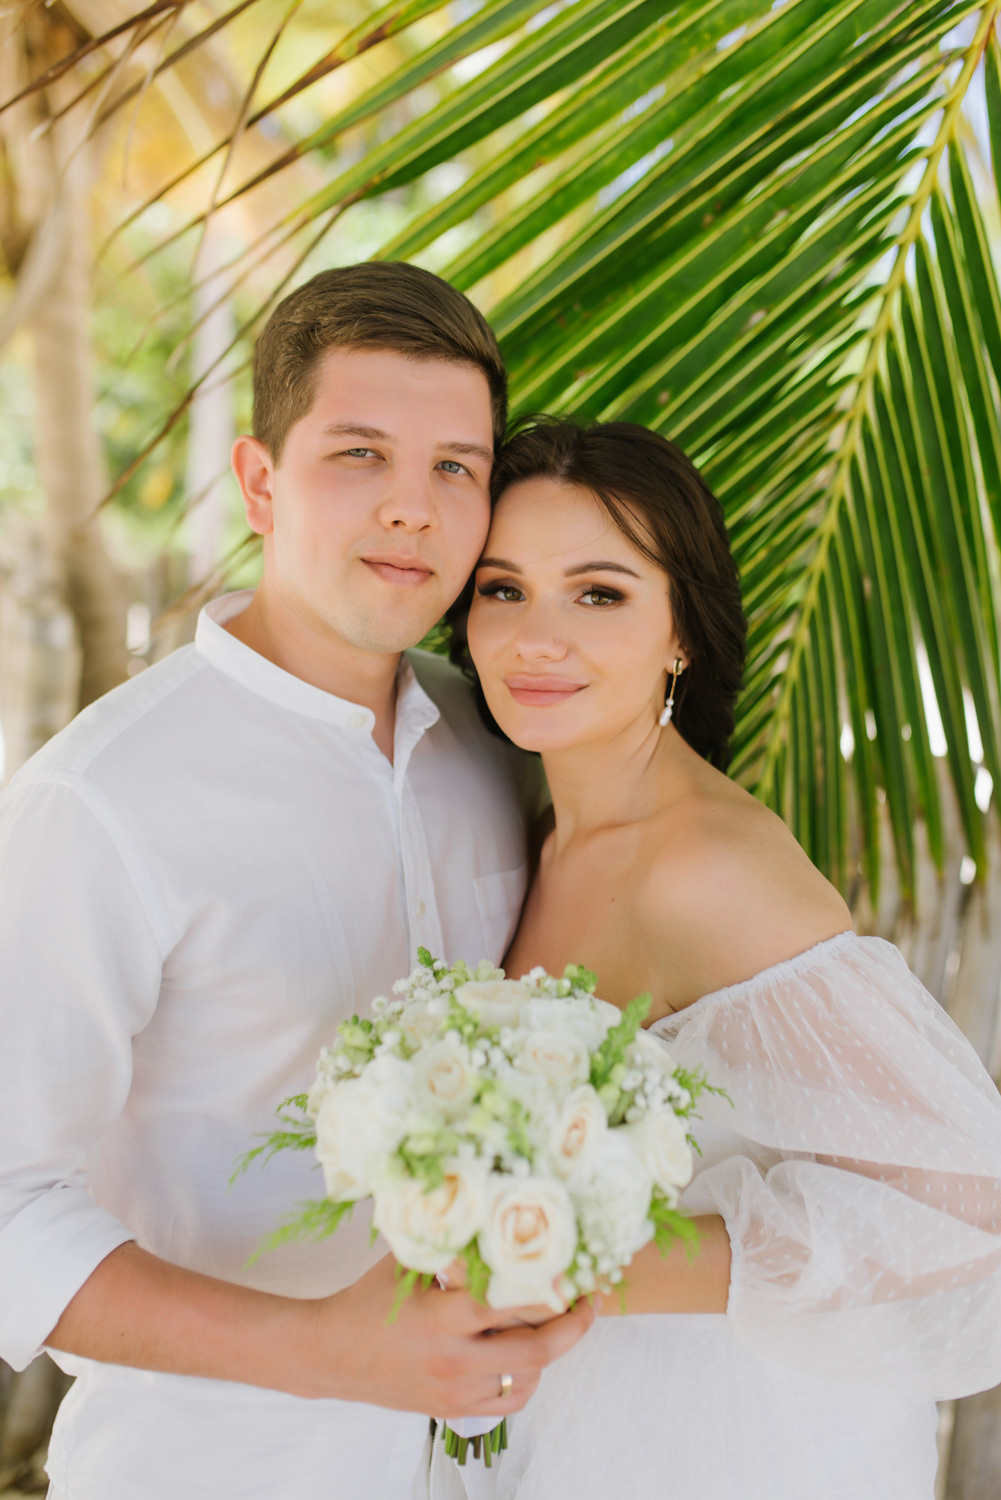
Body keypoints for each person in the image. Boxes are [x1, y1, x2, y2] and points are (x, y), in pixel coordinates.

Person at [0, 266, 593, 1500]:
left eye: (455, 467)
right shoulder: (98, 801)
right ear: (260, 483)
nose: (414, 511)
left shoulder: (507, 753)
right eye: (359, 454)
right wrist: (324, 1353)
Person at [448, 415, 1001, 1498]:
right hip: (572, 1425)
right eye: (500, 588)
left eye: (597, 593)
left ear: (681, 633)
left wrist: (572, 1267)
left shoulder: (705, 872)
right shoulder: (525, 819)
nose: (533, 638)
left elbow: (967, 1222)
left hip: (727, 1441)